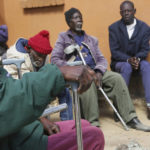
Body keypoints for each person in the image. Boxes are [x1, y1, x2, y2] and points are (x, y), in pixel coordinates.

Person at [51, 7, 150, 131]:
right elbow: (54, 60)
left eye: (80, 17)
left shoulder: (91, 39)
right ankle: (94, 125)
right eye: (76, 18)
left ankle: (131, 118)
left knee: (117, 78)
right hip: (78, 74)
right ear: (68, 22)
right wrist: (76, 68)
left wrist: (98, 72)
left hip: (95, 70)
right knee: (88, 80)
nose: (79, 20)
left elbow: (102, 59)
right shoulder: (63, 38)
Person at [0, 61, 105, 150]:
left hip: (20, 129)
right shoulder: (63, 39)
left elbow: (8, 92)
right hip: (13, 142)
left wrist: (39, 119)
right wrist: (57, 74)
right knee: (94, 137)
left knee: (84, 123)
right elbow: (7, 100)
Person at [4, 30, 73, 121]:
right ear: (28, 48)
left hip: (36, 86)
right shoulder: (15, 58)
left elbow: (44, 74)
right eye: (39, 55)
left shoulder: (42, 55)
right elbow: (25, 85)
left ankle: (67, 122)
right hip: (20, 92)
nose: (41, 59)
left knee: (63, 88)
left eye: (44, 56)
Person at [108, 0, 150, 119]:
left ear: (134, 11)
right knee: (126, 67)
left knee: (147, 66)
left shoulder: (145, 28)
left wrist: (136, 59)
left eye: (129, 11)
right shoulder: (113, 28)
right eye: (123, 11)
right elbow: (114, 51)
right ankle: (119, 108)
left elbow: (145, 49)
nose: (126, 13)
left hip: (138, 61)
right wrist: (128, 60)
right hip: (120, 62)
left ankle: (149, 105)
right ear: (120, 13)